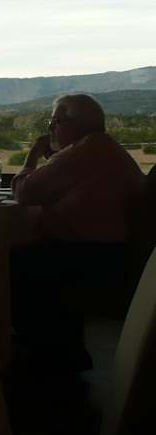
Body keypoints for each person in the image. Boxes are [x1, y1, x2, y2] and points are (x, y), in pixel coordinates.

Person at [11, 93, 144, 372]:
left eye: (55, 122)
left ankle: (36, 352)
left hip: (89, 254)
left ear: (74, 125)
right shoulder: (103, 148)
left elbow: (24, 192)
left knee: (10, 260)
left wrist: (32, 156)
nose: (51, 129)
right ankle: (64, 349)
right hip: (114, 251)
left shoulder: (85, 151)